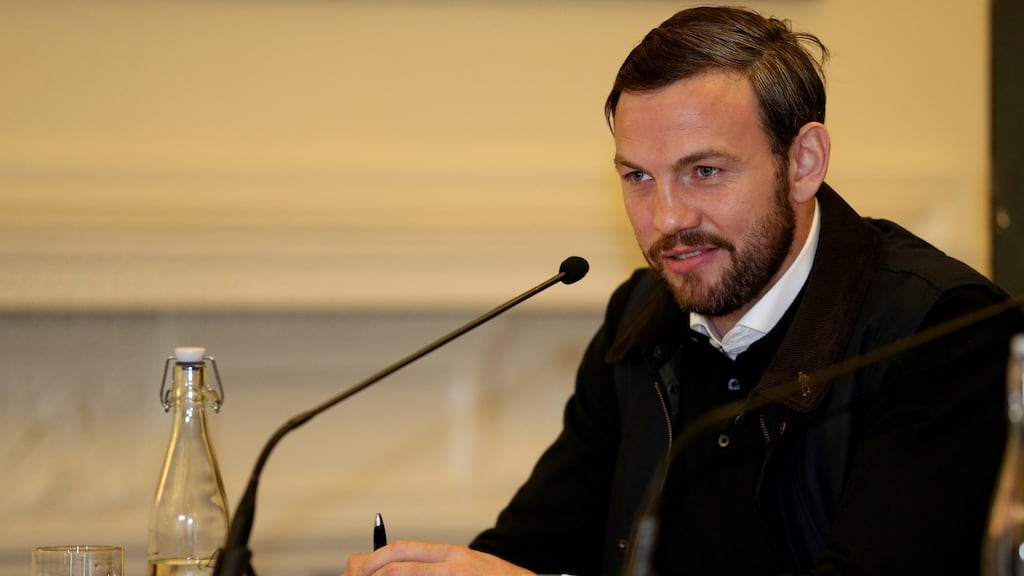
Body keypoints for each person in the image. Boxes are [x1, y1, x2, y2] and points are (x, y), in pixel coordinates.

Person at [345, 5, 1022, 575]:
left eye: (704, 171)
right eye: (638, 177)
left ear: (804, 163)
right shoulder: (642, 321)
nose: (667, 219)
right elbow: (531, 547)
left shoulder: (944, 332)